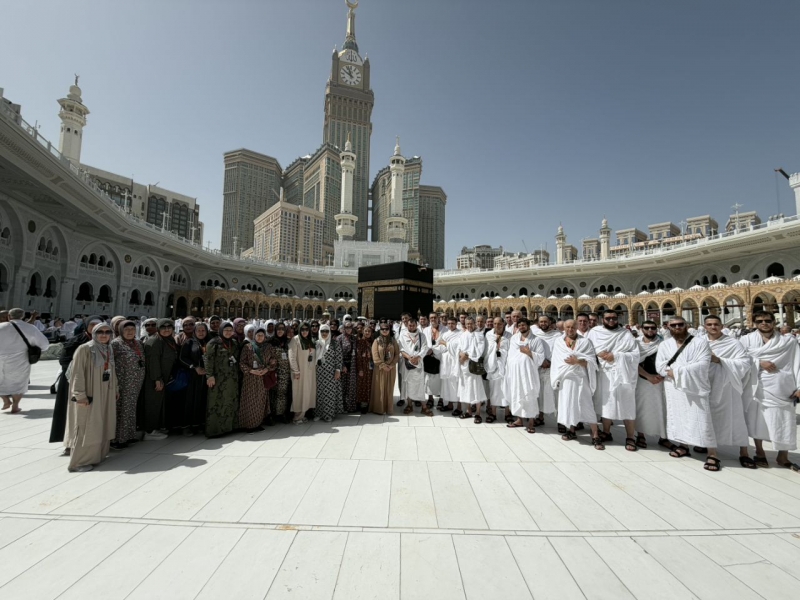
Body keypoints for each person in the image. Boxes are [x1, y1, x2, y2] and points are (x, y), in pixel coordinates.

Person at [657, 316, 720, 471]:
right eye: (673, 325)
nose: (677, 327)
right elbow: (660, 365)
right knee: (678, 416)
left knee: (702, 418)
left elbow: (703, 363)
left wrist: (676, 372)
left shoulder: (700, 342)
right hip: (673, 387)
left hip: (695, 386)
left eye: (680, 324)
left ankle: (712, 453)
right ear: (668, 327)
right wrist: (671, 372)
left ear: (686, 325)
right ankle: (683, 445)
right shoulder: (665, 344)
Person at [740, 310, 800, 470]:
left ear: (774, 322)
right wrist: (759, 362)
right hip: (756, 386)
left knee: (784, 420)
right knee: (758, 420)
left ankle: (783, 456)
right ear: (754, 323)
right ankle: (760, 452)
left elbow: (798, 363)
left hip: (783, 386)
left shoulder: (788, 342)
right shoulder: (746, 340)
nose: (764, 323)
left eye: (767, 320)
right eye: (760, 321)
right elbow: (740, 359)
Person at [64, 323, 117, 472]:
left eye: (107, 332)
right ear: (94, 333)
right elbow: (77, 373)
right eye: (100, 332)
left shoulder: (108, 348)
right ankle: (79, 462)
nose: (104, 335)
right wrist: (80, 395)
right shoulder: (85, 349)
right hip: (90, 392)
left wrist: (116, 388)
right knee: (87, 425)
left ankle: (96, 456)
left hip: (105, 391)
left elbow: (112, 370)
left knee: (102, 423)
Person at [704, 315, 754, 468]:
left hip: (728, 385)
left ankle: (744, 452)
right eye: (709, 324)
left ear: (722, 326)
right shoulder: (699, 343)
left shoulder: (733, 343)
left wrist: (720, 360)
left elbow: (745, 363)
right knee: (709, 418)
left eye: (716, 324)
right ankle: (712, 453)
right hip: (707, 385)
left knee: (736, 418)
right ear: (705, 327)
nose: (713, 327)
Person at [587, 309, 640, 451]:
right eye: (608, 318)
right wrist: (599, 354)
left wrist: (615, 355)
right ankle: (606, 432)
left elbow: (635, 355)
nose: (611, 321)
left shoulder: (625, 333)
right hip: (604, 374)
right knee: (607, 404)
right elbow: (588, 349)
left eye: (614, 318)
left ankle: (630, 437)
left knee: (627, 405)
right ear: (602, 319)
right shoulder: (595, 332)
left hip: (623, 374)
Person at [50, 316, 102, 449]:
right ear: (86, 326)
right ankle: (70, 441)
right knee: (71, 412)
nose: (95, 327)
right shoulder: (77, 341)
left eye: (98, 324)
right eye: (92, 324)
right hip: (73, 381)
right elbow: (64, 361)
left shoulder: (104, 340)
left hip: (95, 382)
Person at [552, 319, 604, 449]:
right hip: (566, 379)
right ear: (564, 328)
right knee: (569, 404)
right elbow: (557, 361)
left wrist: (577, 361)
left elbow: (592, 362)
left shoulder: (585, 342)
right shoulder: (559, 342)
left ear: (577, 328)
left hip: (581, 378)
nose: (570, 330)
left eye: (573, 327)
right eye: (568, 327)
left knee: (586, 404)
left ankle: (595, 435)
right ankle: (571, 430)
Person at [0, 308, 49, 414]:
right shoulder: (30, 328)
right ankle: (15, 406)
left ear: (9, 316)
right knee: (19, 382)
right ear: (22, 316)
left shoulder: (1, 327)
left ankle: (6, 400)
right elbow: (44, 345)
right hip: (20, 360)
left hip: (0, 358)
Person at [505, 318, 546, 433]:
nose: (521, 327)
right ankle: (519, 420)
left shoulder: (536, 340)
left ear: (528, 326)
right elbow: (511, 355)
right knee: (517, 395)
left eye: (523, 325)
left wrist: (529, 353)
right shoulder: (514, 339)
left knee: (529, 395)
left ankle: (531, 422)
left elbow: (541, 357)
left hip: (529, 373)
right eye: (520, 325)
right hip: (516, 373)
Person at [110, 320, 145, 449]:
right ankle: (117, 439)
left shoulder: (138, 343)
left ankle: (129, 435)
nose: (130, 332)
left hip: (135, 382)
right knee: (121, 409)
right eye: (127, 330)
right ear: (120, 331)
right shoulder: (116, 344)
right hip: (122, 382)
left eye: (132, 329)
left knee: (130, 408)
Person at [142, 319, 179, 439]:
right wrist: (157, 378)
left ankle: (157, 427)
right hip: (154, 379)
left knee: (159, 402)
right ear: (158, 329)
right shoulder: (154, 341)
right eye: (163, 327)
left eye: (169, 327)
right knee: (153, 402)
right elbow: (153, 362)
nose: (167, 329)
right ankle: (149, 431)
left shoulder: (168, 340)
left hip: (164, 377)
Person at [634, 320, 667, 448]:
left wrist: (662, 376)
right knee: (641, 408)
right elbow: (632, 362)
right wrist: (648, 376)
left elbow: (669, 360)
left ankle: (664, 437)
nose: (650, 330)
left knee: (662, 408)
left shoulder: (663, 343)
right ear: (642, 329)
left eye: (653, 328)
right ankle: (640, 435)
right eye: (647, 328)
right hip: (642, 379)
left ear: (656, 329)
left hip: (660, 379)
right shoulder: (635, 343)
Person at [204, 322, 240, 437]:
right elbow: (208, 360)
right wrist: (209, 375)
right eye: (226, 330)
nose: (228, 332)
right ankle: (215, 430)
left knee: (230, 401)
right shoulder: (213, 343)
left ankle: (229, 427)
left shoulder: (234, 343)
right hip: (218, 378)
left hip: (231, 378)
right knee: (216, 402)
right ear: (221, 331)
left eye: (230, 330)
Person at [239, 327, 276, 432]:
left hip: (263, 378)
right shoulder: (248, 347)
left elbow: (274, 361)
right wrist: (251, 371)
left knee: (260, 401)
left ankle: (257, 423)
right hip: (250, 379)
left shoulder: (268, 347)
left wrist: (267, 369)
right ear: (254, 336)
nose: (260, 337)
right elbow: (242, 363)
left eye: (262, 335)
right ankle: (248, 425)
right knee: (250, 401)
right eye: (258, 335)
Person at [179, 321, 210, 436]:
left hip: (206, 377)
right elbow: (182, 358)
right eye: (198, 330)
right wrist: (194, 367)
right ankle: (187, 426)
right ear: (194, 332)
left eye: (203, 330)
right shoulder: (189, 342)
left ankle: (199, 424)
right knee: (191, 401)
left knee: (203, 400)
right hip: (193, 377)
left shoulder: (209, 342)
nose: (201, 333)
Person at [456, 316, 487, 423]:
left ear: (474, 324)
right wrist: (461, 355)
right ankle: (468, 410)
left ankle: (478, 413)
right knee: (466, 389)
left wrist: (467, 355)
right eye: (467, 324)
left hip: (474, 366)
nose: (469, 325)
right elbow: (459, 348)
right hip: (464, 367)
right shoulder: (463, 335)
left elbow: (480, 350)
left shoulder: (479, 335)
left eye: (471, 323)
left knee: (476, 388)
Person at [399, 317, 432, 416]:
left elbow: (425, 348)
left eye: (413, 325)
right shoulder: (403, 335)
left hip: (418, 364)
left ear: (416, 325)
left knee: (419, 385)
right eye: (410, 325)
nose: (411, 327)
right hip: (407, 364)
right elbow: (401, 349)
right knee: (407, 384)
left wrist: (417, 357)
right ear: (407, 325)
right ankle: (409, 405)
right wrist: (409, 357)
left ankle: (424, 407)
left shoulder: (422, 335)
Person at [533, 315, 560, 429]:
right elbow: (532, 350)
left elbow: (560, 351)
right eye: (541, 322)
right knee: (540, 394)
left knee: (556, 396)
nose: (543, 324)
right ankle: (540, 417)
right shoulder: (535, 335)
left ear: (550, 322)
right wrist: (541, 361)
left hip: (553, 368)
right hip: (539, 367)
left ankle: (560, 421)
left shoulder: (558, 335)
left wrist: (551, 362)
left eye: (545, 321)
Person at [288, 323, 317, 424]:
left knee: (307, 393)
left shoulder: (310, 340)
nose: (304, 332)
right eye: (302, 329)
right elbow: (291, 357)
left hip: (309, 372)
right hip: (299, 372)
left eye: (306, 329)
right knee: (298, 393)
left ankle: (303, 414)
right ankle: (297, 417)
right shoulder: (295, 340)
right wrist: (295, 371)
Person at [485, 317, 511, 423]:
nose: (497, 326)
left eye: (499, 324)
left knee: (507, 390)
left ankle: (507, 413)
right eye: (495, 324)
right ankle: (493, 413)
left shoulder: (509, 336)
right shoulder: (488, 335)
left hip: (505, 366)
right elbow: (486, 350)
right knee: (494, 390)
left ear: (503, 324)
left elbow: (512, 351)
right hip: (493, 366)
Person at [370, 321, 400, 415]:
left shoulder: (393, 341)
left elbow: (397, 354)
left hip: (391, 368)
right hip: (380, 369)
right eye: (382, 329)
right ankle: (379, 408)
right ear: (380, 330)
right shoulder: (377, 341)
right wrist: (383, 365)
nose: (385, 330)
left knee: (389, 388)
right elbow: (375, 356)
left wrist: (391, 365)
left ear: (389, 330)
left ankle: (389, 408)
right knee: (379, 388)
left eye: (387, 329)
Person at [315, 324, 343, 422]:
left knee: (329, 394)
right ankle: (318, 413)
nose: (324, 333)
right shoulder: (316, 343)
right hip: (318, 373)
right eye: (322, 331)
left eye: (326, 331)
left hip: (331, 373)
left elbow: (339, 357)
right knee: (318, 394)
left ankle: (328, 415)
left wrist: (338, 370)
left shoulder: (334, 343)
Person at [435, 316, 462, 415]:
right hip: (446, 361)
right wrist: (444, 345)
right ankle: (450, 404)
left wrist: (445, 343)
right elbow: (439, 345)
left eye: (452, 323)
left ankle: (459, 407)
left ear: (456, 324)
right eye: (449, 323)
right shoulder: (445, 334)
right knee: (447, 383)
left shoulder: (460, 334)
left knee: (457, 383)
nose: (451, 325)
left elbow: (457, 346)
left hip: (455, 361)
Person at [269, 322, 292, 422]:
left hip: (285, 373)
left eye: (282, 329)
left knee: (282, 393)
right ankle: (272, 414)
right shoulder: (270, 342)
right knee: (273, 393)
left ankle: (281, 414)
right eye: (278, 329)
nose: (280, 331)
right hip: (273, 371)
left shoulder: (288, 342)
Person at [422, 313, 442, 409]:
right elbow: (423, 343)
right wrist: (428, 350)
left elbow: (445, 343)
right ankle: (430, 398)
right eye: (431, 318)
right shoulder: (425, 330)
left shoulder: (444, 329)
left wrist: (434, 350)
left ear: (438, 318)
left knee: (441, 379)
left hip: (440, 357)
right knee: (428, 379)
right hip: (429, 357)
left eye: (435, 317)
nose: (433, 319)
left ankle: (441, 399)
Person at [338, 321, 358, 412]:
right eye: (346, 327)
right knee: (343, 386)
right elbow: (339, 353)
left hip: (352, 365)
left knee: (351, 387)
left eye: (350, 327)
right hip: (343, 365)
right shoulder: (340, 338)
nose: (348, 329)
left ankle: (351, 407)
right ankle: (343, 407)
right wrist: (342, 365)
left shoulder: (354, 338)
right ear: (344, 328)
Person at [356, 323, 375, 414]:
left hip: (371, 368)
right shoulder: (360, 342)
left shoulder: (373, 341)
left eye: (369, 331)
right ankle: (363, 404)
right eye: (366, 331)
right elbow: (358, 356)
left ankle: (370, 404)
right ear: (363, 332)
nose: (367, 333)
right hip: (363, 367)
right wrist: (360, 369)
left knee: (370, 384)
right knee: (363, 385)